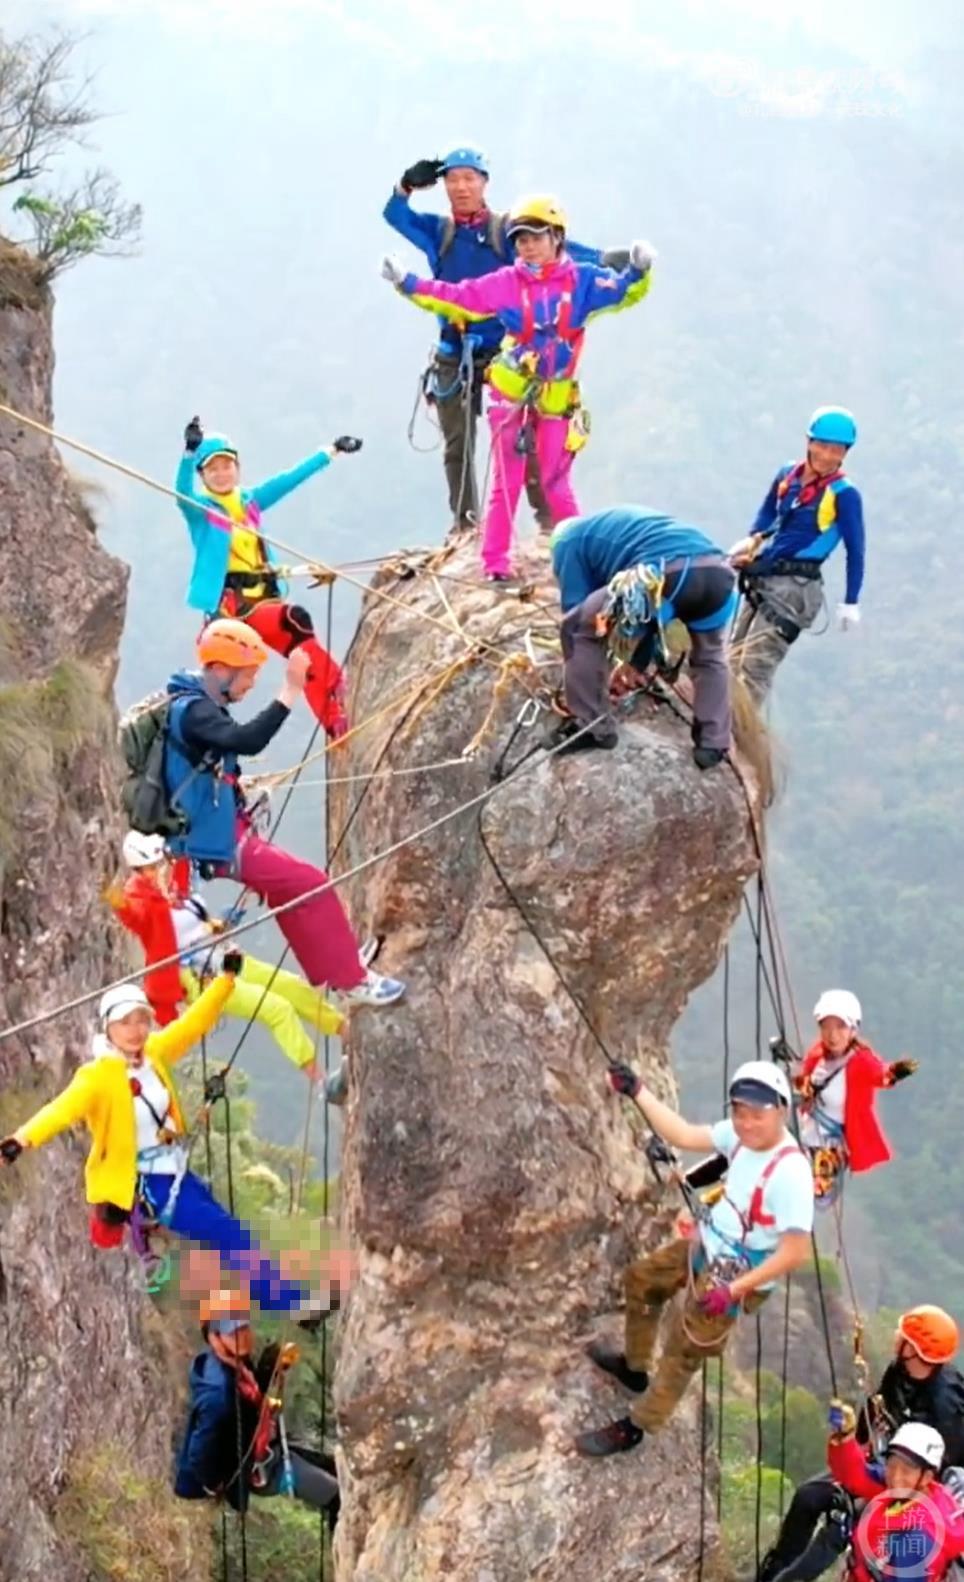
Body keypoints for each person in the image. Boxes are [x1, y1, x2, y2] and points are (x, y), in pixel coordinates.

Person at [0, 976, 339, 1317]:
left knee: (231, 1234)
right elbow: (60, 1110)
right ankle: (293, 1304)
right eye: (125, 1022)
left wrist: (225, 981)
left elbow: (193, 1025)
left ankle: (288, 1301)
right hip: (151, 1185)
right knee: (230, 1234)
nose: (135, 1030)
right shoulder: (96, 1077)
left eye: (141, 1020)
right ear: (108, 1028)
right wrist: (21, 1139)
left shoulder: (154, 1054)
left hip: (177, 1171)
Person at [382, 197, 654, 581]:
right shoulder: (507, 282)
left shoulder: (583, 281)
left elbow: (623, 291)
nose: (527, 245)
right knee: (506, 481)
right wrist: (405, 283)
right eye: (520, 239)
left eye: (535, 237)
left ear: (557, 237)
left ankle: (582, 559)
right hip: (510, 391)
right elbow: (457, 298)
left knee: (556, 483)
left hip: (556, 397)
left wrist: (641, 270)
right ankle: (495, 564)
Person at [574, 1060, 813, 1457]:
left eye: (758, 1115)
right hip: (711, 1244)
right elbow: (682, 1134)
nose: (747, 1123)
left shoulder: (791, 1173)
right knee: (642, 1280)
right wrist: (637, 1091)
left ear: (781, 1113)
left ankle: (638, 1425)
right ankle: (634, 1368)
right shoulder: (738, 1138)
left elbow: (794, 1251)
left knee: (684, 1348)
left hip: (740, 1272)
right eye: (739, 1112)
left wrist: (734, 1291)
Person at [162, 617, 404, 1008]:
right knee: (311, 883)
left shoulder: (196, 703)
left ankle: (334, 968)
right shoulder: (195, 712)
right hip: (216, 839)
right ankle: (352, 980)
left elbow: (210, 761)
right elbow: (247, 740)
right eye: (247, 676)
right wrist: (290, 690)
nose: (250, 684)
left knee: (289, 892)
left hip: (217, 828)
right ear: (220, 669)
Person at [175, 418, 363, 736]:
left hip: (261, 600)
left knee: (298, 627)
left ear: (237, 468)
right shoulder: (201, 510)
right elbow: (180, 493)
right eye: (212, 469)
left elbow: (289, 480)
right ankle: (205, 732)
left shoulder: (250, 502)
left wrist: (331, 451)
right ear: (203, 475)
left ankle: (334, 713)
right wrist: (188, 453)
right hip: (229, 608)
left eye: (226, 466)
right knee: (223, 678)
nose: (221, 474)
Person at [107, 830, 345, 1075]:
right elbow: (134, 916)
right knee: (276, 1009)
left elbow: (194, 921)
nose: (159, 871)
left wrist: (218, 922)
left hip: (222, 956)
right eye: (151, 868)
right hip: (200, 977)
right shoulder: (142, 900)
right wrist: (115, 899)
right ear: (139, 871)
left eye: (161, 863)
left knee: (292, 986)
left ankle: (344, 1029)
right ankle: (321, 1081)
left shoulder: (175, 887)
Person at [757, 1305, 964, 1581]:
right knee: (809, 1496)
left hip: (917, 1485)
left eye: (903, 1336)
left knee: (839, 1524)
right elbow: (875, 1410)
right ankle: (774, 1571)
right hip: (893, 1466)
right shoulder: (900, 1371)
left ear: (914, 1348)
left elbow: (937, 1471)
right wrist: (849, 1438)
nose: (895, 1337)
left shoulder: (946, 1404)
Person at [548, 507, 738, 768]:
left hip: (668, 573)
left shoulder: (567, 543)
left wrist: (586, 677)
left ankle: (593, 726)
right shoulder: (617, 528)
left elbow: (580, 614)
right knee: (710, 658)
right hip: (718, 574)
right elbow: (648, 618)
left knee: (576, 629)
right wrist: (636, 664)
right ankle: (713, 744)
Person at [730, 407, 865, 701]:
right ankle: (720, 726)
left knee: (755, 667)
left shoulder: (844, 494)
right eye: (822, 446)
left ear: (845, 453)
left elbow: (855, 551)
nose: (828, 456)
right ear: (809, 442)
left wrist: (851, 601)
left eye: (837, 450)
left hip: (797, 589)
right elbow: (769, 510)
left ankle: (731, 738)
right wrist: (755, 536)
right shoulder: (788, 475)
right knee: (730, 658)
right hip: (765, 574)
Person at [175, 1290, 340, 1524]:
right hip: (264, 1469)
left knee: (337, 1468)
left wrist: (274, 1363)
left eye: (243, 1326)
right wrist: (217, 1485)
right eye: (233, 1331)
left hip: (269, 1448)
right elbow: (199, 1456)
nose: (242, 1335)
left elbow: (254, 1390)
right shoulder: (219, 1396)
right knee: (337, 1497)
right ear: (214, 1336)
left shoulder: (233, 1363)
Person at [791, 989, 916, 1206]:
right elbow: (803, 1081)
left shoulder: (861, 1061)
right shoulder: (817, 1056)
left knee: (818, 1182)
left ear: (853, 1029)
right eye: (826, 1027)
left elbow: (879, 1075)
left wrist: (894, 1073)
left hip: (832, 1141)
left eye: (840, 1027)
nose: (832, 1035)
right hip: (807, 1130)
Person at [826, 1416, 964, 1582]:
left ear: (926, 1476)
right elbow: (856, 1475)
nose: (895, 1477)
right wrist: (845, 1439)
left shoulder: (918, 1541)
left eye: (906, 1471)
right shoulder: (907, 1491)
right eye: (891, 1465)